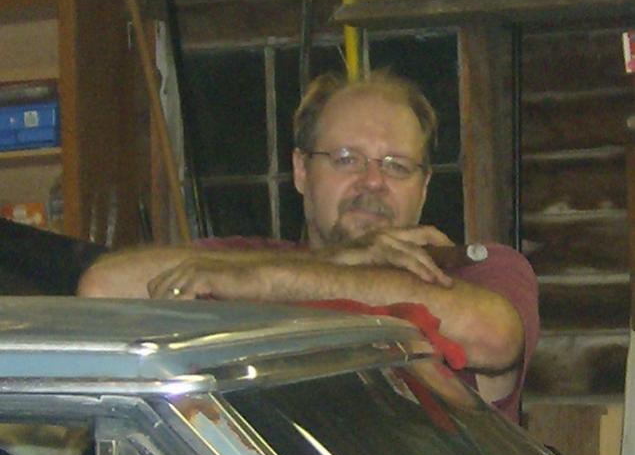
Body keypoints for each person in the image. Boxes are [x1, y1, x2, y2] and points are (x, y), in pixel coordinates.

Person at [78, 71, 539, 423]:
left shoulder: (477, 271)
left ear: (424, 186)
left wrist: (262, 282)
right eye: (346, 159)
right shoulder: (246, 258)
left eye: (397, 166)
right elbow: (105, 286)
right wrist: (329, 261)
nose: (373, 181)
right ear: (301, 171)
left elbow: (493, 336)